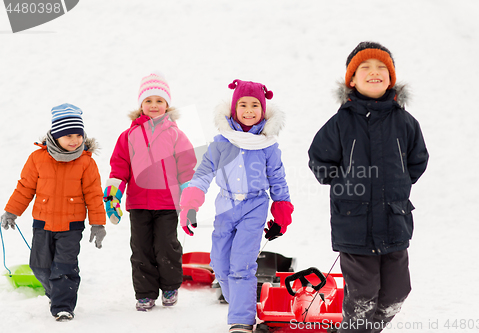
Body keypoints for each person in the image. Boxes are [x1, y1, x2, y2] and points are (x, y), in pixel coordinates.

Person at [308, 41, 429, 333]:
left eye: (381, 69)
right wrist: (346, 184)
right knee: (362, 296)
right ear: (352, 79)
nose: (374, 73)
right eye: (365, 68)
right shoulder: (340, 123)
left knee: (396, 294)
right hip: (355, 223)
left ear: (391, 78)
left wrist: (396, 184)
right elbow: (319, 160)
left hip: (394, 221)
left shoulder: (405, 122)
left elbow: (417, 160)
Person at [179, 79, 294, 333]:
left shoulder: (268, 144)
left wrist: (281, 213)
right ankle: (242, 302)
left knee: (242, 264)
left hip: (255, 206)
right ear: (233, 109)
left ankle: (241, 320)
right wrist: (190, 204)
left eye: (255, 105)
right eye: (243, 104)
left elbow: (277, 179)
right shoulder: (222, 141)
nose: (249, 110)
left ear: (263, 111)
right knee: (220, 264)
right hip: (226, 205)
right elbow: (204, 172)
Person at [1, 103, 106, 321]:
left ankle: (62, 306)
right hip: (42, 222)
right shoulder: (37, 159)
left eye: (78, 134)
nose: (75, 140)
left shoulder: (86, 162)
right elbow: (25, 187)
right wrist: (12, 211)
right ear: (55, 136)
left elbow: (94, 195)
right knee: (39, 266)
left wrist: (98, 223)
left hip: (72, 225)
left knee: (65, 266)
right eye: (68, 135)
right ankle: (55, 293)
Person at [104, 71, 196, 311]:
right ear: (140, 104)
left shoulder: (176, 134)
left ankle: (169, 287)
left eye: (159, 101)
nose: (154, 105)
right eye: (148, 101)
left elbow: (186, 168)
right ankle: (145, 293)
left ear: (167, 104)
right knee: (141, 248)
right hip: (138, 204)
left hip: (167, 204)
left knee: (167, 246)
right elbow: (119, 168)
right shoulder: (128, 136)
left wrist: (189, 199)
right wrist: (113, 195)